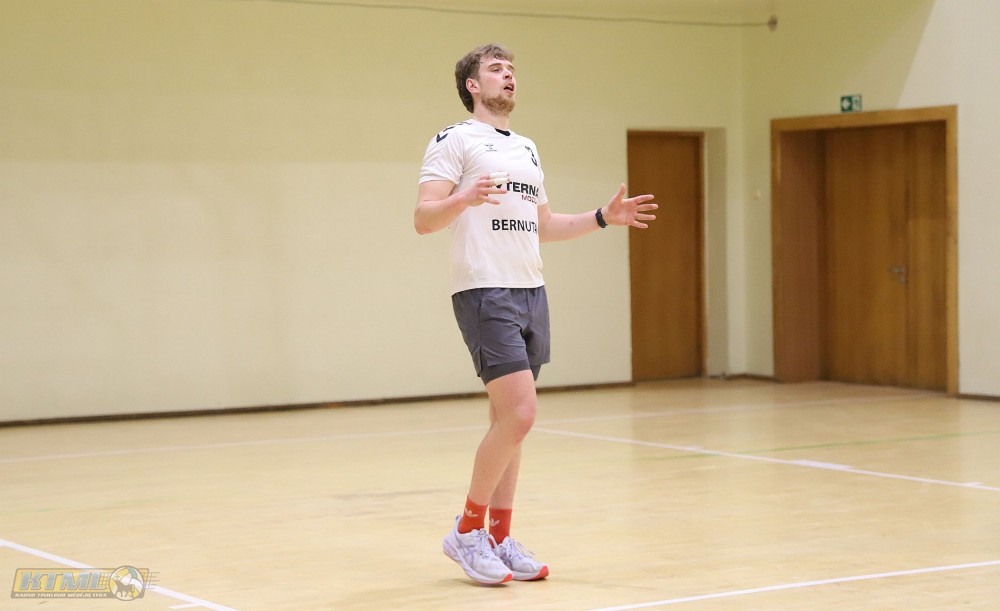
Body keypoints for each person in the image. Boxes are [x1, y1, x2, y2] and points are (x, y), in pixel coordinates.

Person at [414, 43, 657, 585]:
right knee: (522, 414)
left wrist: (601, 217)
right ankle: (466, 531)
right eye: (496, 70)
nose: (509, 77)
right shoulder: (454, 139)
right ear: (473, 85)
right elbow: (424, 218)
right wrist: (462, 199)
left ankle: (499, 537)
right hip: (485, 290)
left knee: (509, 423)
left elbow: (543, 225)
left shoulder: (526, 148)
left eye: (512, 70)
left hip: (531, 290)